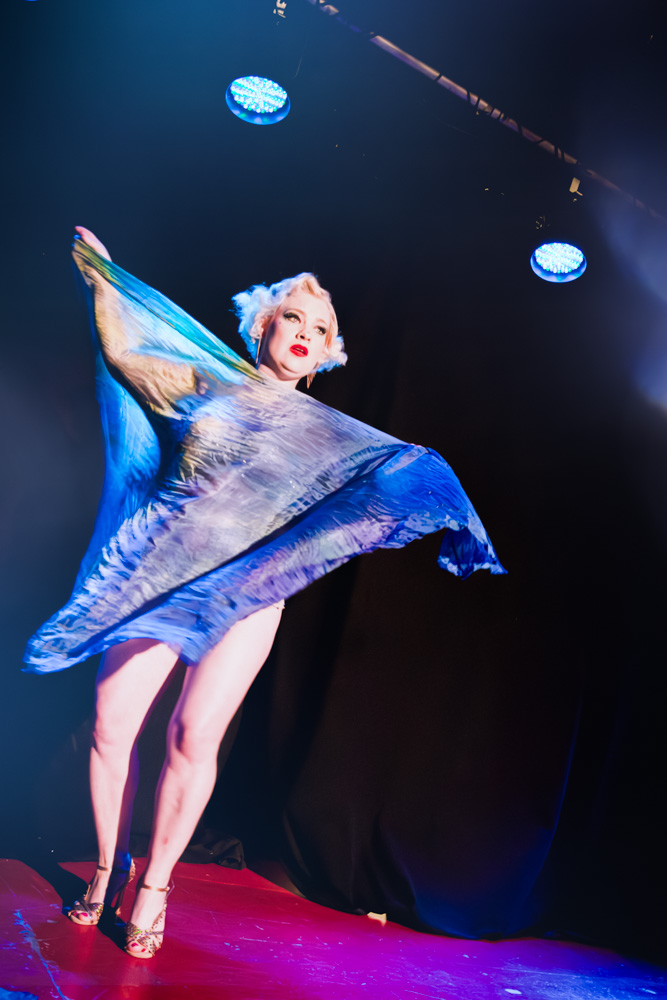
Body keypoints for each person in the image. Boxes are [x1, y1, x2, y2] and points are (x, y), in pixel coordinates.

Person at [24, 228, 505, 959]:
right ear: (263, 325)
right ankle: (105, 868)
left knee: (193, 738)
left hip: (247, 596)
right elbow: (128, 351)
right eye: (295, 318)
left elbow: (395, 478)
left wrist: (453, 510)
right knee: (110, 726)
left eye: (322, 330)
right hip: (161, 572)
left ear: (327, 353)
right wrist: (105, 278)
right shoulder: (202, 379)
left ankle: (152, 887)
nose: (306, 334)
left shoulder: (328, 437)